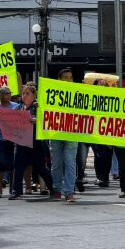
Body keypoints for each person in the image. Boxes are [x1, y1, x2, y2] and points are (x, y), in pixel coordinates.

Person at [9, 85, 54, 200]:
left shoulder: (39, 107)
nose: (24, 96)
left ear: (34, 95)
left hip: (36, 143)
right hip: (21, 142)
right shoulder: (18, 108)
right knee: (18, 167)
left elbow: (47, 121)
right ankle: (16, 191)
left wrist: (37, 121)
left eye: (28, 93)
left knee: (41, 167)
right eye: (23, 93)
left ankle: (53, 189)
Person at [50, 69, 78, 201]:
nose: (69, 79)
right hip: (55, 132)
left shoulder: (78, 93)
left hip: (72, 133)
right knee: (56, 163)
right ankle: (56, 188)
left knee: (70, 163)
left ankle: (69, 191)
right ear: (60, 79)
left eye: (70, 77)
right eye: (66, 77)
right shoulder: (51, 93)